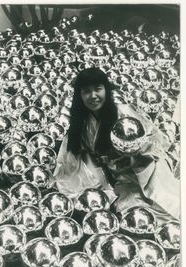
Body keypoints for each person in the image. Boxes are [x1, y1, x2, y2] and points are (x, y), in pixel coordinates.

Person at [53, 67, 180, 225]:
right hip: (118, 182)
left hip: (144, 172)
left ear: (106, 90)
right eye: (86, 91)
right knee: (136, 214)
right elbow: (72, 164)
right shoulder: (81, 126)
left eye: (98, 89)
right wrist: (107, 186)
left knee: (170, 208)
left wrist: (134, 156)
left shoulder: (124, 113)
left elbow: (155, 143)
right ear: (79, 95)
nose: (93, 96)